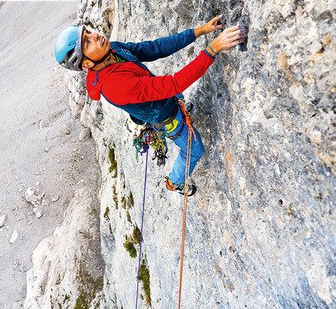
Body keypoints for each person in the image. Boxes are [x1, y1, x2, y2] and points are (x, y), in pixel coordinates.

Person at [54, 17, 246, 195]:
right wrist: (213, 49)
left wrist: (199, 31)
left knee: (173, 95)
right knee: (194, 149)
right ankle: (175, 181)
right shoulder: (115, 86)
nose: (94, 36)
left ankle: (179, 108)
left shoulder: (112, 51)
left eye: (88, 32)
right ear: (87, 64)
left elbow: (154, 48)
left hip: (164, 100)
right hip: (166, 117)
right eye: (87, 43)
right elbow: (174, 84)